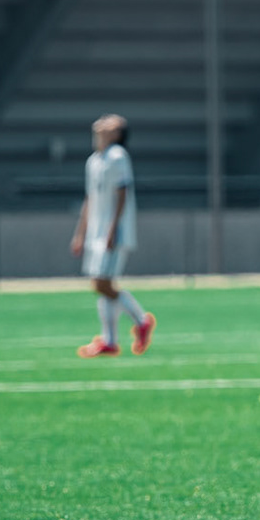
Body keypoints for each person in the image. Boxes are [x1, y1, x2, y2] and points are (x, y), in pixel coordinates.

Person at [70, 114, 156, 358]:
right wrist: (80, 233)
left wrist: (112, 230)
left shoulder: (118, 156)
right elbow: (90, 199)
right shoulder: (94, 160)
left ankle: (141, 321)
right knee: (102, 284)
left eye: (111, 123)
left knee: (102, 283)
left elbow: (122, 194)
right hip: (96, 233)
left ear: (117, 134)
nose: (103, 123)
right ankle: (109, 340)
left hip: (112, 232)